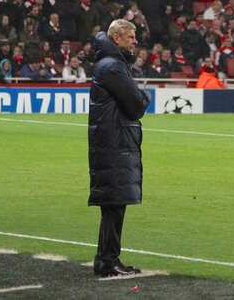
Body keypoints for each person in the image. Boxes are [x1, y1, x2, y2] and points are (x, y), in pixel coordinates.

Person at [88, 19, 151, 278]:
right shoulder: (113, 67)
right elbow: (136, 105)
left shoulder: (111, 64)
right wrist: (145, 97)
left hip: (112, 142)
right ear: (116, 38)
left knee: (114, 206)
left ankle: (107, 259)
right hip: (114, 144)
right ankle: (107, 261)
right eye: (130, 37)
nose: (135, 41)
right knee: (114, 205)